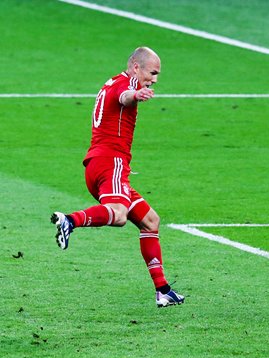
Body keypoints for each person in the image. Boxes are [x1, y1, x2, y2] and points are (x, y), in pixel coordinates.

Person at [51, 47, 184, 308]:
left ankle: (163, 290)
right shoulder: (124, 85)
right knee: (120, 215)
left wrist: (135, 93)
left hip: (102, 165)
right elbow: (124, 98)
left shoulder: (111, 81)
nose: (155, 79)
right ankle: (70, 220)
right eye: (152, 73)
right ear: (136, 67)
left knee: (149, 221)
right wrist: (137, 94)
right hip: (110, 163)